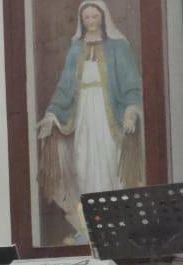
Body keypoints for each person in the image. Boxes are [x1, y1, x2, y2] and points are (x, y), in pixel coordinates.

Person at [37, 0, 144, 244]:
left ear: (103, 19)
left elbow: (131, 85)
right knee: (83, 164)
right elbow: (65, 87)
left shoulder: (118, 47)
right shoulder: (76, 49)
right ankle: (91, 226)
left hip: (109, 120)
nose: (92, 21)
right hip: (84, 114)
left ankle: (118, 224)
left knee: (109, 163)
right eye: (87, 18)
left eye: (95, 16)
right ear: (81, 21)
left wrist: (131, 111)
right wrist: (52, 114)